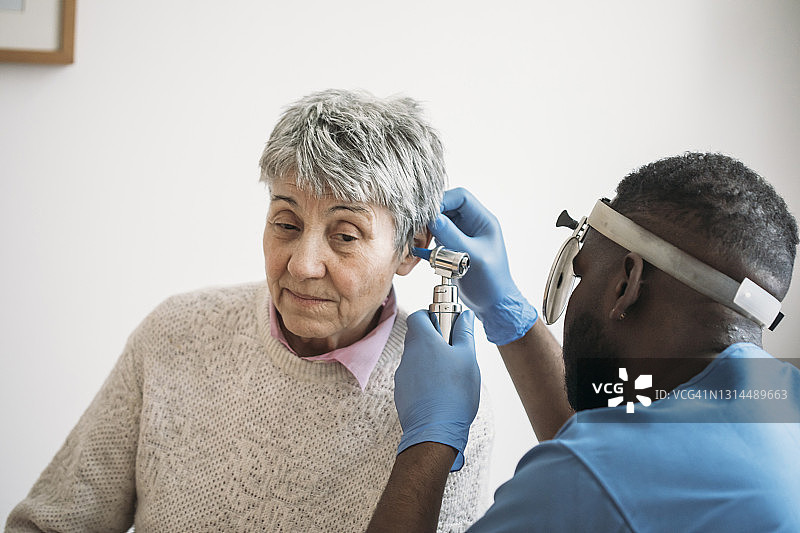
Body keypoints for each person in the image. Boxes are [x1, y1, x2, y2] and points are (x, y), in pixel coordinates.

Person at [7, 90, 493, 532]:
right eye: (286, 222)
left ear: (412, 248)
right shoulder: (176, 334)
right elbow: (51, 524)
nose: (303, 265)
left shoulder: (445, 409)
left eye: (345, 235)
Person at [367, 153, 800, 532]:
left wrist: (431, 438)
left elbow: (606, 478)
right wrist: (506, 313)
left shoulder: (597, 477)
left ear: (627, 284)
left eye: (582, 270)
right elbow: (617, 458)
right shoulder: (778, 400)